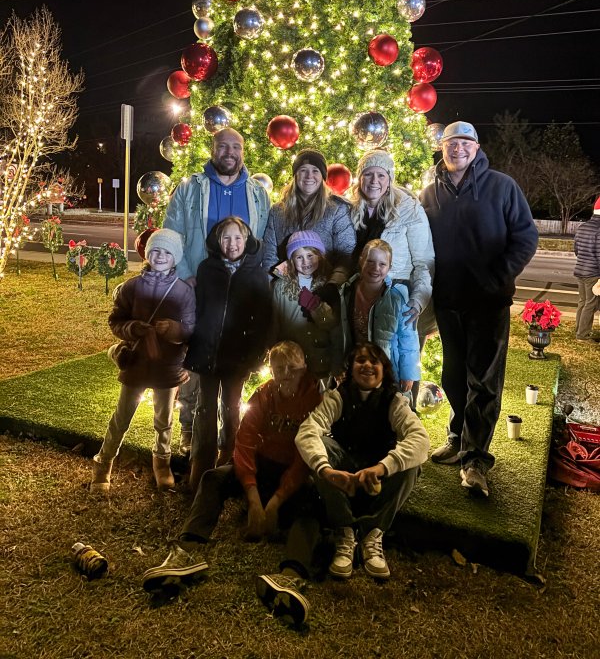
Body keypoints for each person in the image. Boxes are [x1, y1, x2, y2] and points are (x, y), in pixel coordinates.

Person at [142, 341, 322, 628]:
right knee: (213, 478)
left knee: (314, 504)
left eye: (292, 368)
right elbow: (245, 442)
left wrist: (275, 501)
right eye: (278, 369)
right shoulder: (265, 394)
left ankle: (291, 577)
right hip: (262, 468)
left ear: (303, 368)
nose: (285, 374)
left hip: (291, 475)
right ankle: (186, 551)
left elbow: (305, 459)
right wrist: (252, 495)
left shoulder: (315, 401)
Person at [420, 121, 538, 498]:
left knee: (484, 380)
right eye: (451, 143)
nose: (458, 149)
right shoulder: (429, 193)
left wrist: (498, 276)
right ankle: (458, 435)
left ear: (477, 147)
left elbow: (526, 237)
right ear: (442, 147)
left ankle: (475, 459)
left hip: (488, 302)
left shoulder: (502, 186)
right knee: (454, 375)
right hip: (448, 301)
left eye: (465, 143)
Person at [163, 127, 271, 449]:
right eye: (222, 146)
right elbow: (173, 231)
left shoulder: (257, 194)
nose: (229, 152)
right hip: (199, 288)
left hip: (238, 295)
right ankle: (189, 428)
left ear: (242, 152)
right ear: (212, 149)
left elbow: (260, 242)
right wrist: (185, 275)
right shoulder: (190, 189)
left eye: (235, 147)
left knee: (230, 366)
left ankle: (230, 444)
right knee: (194, 360)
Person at [295, 342, 429, 581]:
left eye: (374, 361)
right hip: (345, 477)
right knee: (320, 449)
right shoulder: (338, 396)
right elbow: (308, 430)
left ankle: (372, 533)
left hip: (377, 479)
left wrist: (382, 467)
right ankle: (345, 531)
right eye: (360, 360)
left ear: (383, 369)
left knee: (412, 465)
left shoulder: (394, 401)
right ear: (351, 367)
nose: (367, 365)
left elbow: (420, 440)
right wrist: (326, 471)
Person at [91, 229, 195, 494]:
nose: (160, 256)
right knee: (122, 416)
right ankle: (104, 463)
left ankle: (162, 462)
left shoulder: (184, 291)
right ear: (147, 254)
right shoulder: (132, 287)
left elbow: (190, 329)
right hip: (137, 363)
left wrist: (173, 329)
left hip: (167, 367)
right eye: (155, 251)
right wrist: (132, 328)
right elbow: (116, 321)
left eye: (167, 252)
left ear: (176, 258)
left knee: (164, 419)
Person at [185, 216, 272, 490]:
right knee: (204, 408)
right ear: (217, 241)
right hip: (207, 352)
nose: (232, 243)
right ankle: (200, 467)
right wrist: (192, 343)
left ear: (246, 240)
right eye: (226, 238)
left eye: (238, 238)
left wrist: (256, 354)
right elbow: (197, 309)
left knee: (232, 408)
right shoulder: (207, 269)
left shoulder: (255, 273)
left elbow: (262, 319)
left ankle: (228, 462)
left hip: (237, 357)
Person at [350, 149, 434, 324]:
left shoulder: (409, 210)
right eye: (368, 174)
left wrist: (418, 300)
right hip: (357, 296)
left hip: (395, 296)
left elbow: (423, 262)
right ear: (360, 179)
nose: (374, 181)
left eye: (381, 175)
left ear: (389, 180)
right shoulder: (349, 209)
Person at [336, 240, 421, 398]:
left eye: (382, 264)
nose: (376, 268)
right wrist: (339, 366)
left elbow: (408, 338)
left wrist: (408, 373)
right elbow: (340, 333)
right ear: (361, 260)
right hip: (357, 367)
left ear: (389, 266)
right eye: (370, 261)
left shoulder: (397, 297)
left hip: (388, 369)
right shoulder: (347, 292)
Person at [262, 148, 356, 282]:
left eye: (315, 171)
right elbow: (269, 255)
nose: (309, 176)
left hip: (325, 287)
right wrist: (275, 287)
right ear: (295, 175)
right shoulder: (277, 211)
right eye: (303, 170)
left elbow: (346, 253)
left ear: (322, 176)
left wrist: (333, 285)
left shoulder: (337, 209)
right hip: (287, 289)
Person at [272, 230, 339, 380]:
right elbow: (274, 321)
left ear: (319, 256)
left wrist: (316, 307)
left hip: (319, 355)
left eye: (310, 256)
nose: (305, 262)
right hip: (290, 358)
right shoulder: (280, 286)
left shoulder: (327, 285)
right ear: (291, 260)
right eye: (299, 257)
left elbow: (331, 323)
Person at [573, 195, 600, 342]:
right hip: (593, 273)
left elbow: (576, 250)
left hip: (580, 270)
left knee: (582, 301)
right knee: (591, 303)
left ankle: (579, 329)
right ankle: (582, 335)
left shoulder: (583, 227)